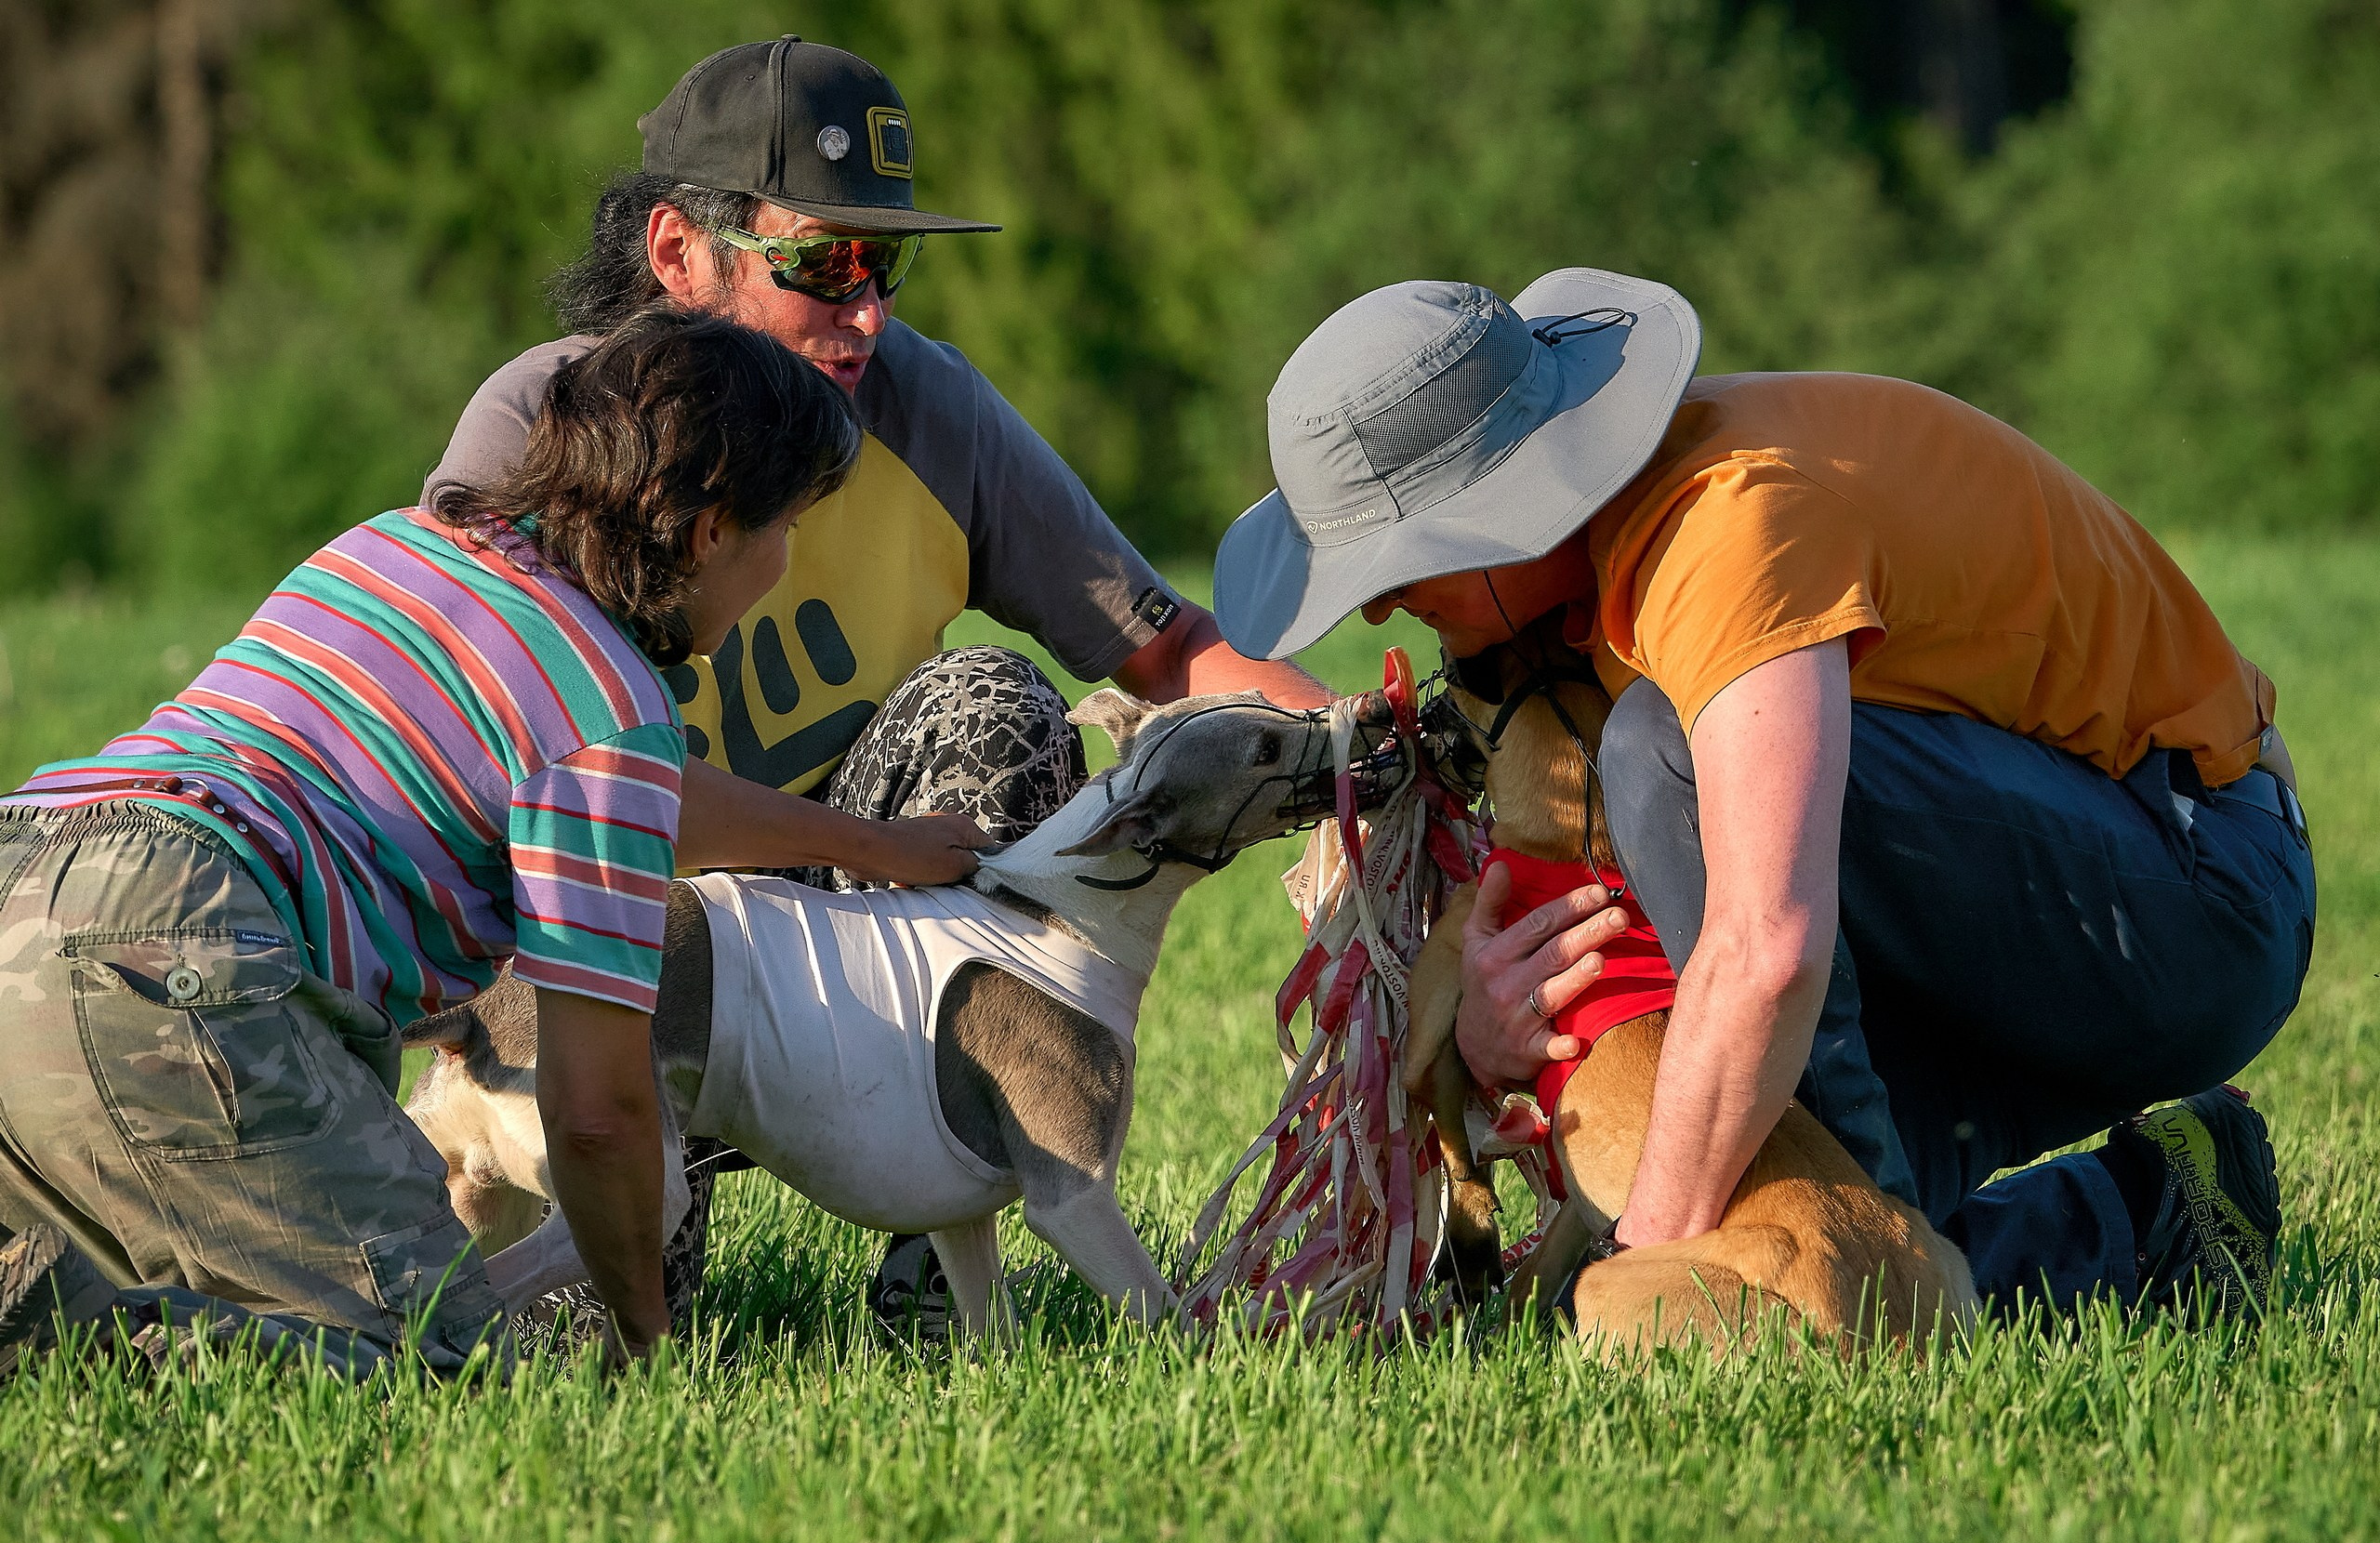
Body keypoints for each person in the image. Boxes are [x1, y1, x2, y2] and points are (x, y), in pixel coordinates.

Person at [426, 37, 1330, 1338]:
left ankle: (939, 1242)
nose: (867, 314)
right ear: (680, 253)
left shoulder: (924, 403)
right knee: (594, 1332)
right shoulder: (545, 426)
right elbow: (475, 786)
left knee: (994, 705)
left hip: (855, 952)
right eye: (823, 263)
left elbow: (1164, 647)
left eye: (887, 264)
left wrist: (1365, 751)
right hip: (627, 948)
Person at [1212, 271, 2313, 1323]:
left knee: (1665, 756)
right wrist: (1506, 1036)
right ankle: (2144, 1214)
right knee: (1760, 1219)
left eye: (1398, 569)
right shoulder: (1599, 577)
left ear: (1505, 508)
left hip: (2201, 897)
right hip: (2020, 913)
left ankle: (1879, 1300)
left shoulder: (1723, 530)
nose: (1379, 613)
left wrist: (1644, 1260)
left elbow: (1765, 947)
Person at [0, 308, 860, 1378]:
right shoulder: (606, 712)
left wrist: (874, 844)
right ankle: (59, 1335)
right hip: (168, 936)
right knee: (432, 1360)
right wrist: (647, 1346)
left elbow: (636, 800)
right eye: (789, 528)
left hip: (28, 862)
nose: (787, 562)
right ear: (709, 533)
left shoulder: (391, 545)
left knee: (126, 1255)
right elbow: (595, 1113)